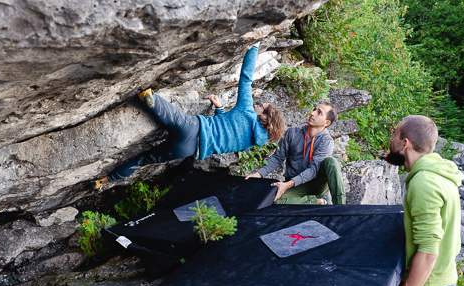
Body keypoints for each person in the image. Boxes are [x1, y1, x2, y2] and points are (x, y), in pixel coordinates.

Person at [93, 42, 285, 188]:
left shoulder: (246, 110)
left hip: (192, 127)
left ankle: (148, 96)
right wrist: (219, 109)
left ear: (266, 117)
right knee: (142, 160)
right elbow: (226, 134)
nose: (257, 104)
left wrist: (254, 46)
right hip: (186, 149)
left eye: (261, 106)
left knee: (172, 115)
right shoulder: (252, 142)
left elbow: (246, 78)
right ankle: (103, 181)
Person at [385, 115, 463, 286]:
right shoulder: (440, 174)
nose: (391, 141)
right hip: (438, 281)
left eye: (394, 136)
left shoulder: (424, 184)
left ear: (404, 143)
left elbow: (428, 252)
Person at [244, 102, 345, 205]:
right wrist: (259, 174)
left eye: (319, 113)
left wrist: (287, 185)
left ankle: (341, 208)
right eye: (314, 109)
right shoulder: (292, 133)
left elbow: (313, 170)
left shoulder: (326, 141)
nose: (312, 113)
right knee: (272, 200)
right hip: (295, 186)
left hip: (315, 184)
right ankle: (318, 201)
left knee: (331, 162)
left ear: (326, 123)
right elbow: (277, 158)